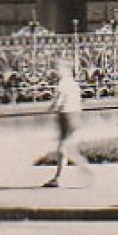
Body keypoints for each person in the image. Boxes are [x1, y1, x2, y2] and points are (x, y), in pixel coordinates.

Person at [43, 59, 93, 188]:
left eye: (58, 69)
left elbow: (59, 102)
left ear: (66, 70)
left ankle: (86, 168)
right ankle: (57, 178)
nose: (56, 71)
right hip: (74, 116)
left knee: (64, 149)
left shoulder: (63, 83)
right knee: (64, 149)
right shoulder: (73, 84)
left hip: (67, 117)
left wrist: (51, 108)